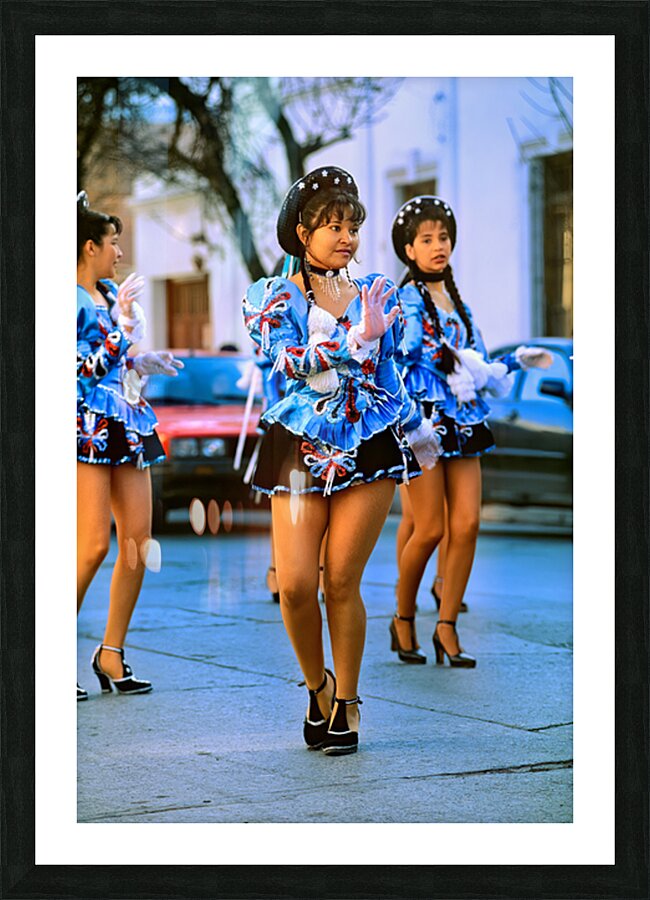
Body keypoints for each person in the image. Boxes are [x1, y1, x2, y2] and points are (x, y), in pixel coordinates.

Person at [242, 166, 439, 754]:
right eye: (334, 226)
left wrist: (416, 429)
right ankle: (318, 685)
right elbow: (286, 361)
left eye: (352, 226)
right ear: (303, 233)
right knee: (297, 585)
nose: (347, 237)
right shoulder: (272, 295)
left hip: (368, 441)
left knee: (342, 580)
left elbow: (388, 373)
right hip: (298, 445)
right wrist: (352, 341)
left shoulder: (377, 292)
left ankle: (348, 702)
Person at [392, 195, 552, 667]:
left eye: (443, 237)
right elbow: (404, 356)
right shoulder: (405, 300)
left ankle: (446, 626)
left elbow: (478, 363)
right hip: (424, 422)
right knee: (429, 528)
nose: (438, 246)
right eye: (426, 239)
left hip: (464, 420)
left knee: (467, 525)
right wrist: (445, 363)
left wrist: (515, 361)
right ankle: (402, 617)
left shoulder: (458, 302)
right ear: (409, 250)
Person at [76, 191, 183, 700]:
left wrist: (142, 361)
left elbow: (115, 362)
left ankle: (111, 652)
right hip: (85, 427)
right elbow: (80, 371)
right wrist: (120, 337)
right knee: (93, 544)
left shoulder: (108, 293)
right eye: (113, 242)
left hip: (127, 421)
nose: (119, 252)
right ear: (89, 246)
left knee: (139, 543)